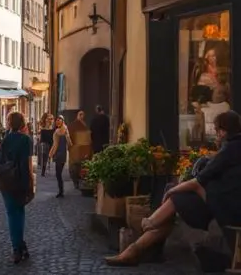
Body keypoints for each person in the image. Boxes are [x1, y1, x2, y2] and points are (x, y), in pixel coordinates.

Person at [106, 110, 241, 266]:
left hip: (227, 207)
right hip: (226, 202)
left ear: (223, 132)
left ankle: (148, 227)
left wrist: (171, 192)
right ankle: (135, 250)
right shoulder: (234, 147)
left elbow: (198, 181)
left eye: (217, 131)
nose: (216, 135)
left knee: (176, 197)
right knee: (171, 210)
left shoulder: (230, 148)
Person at [0, 112, 35, 264]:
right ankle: (19, 245)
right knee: (20, 211)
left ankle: (17, 247)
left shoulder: (6, 139)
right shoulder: (26, 140)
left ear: (10, 124)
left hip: (6, 180)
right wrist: (32, 183)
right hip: (21, 180)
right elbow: (29, 165)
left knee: (11, 213)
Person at [48, 115, 72, 197]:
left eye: (59, 120)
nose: (57, 121)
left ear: (62, 121)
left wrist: (51, 154)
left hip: (59, 154)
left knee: (58, 174)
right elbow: (69, 143)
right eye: (57, 120)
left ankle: (61, 191)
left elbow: (55, 145)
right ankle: (61, 191)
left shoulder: (57, 131)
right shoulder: (65, 129)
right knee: (58, 174)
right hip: (63, 154)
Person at [69, 110, 92, 188]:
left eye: (83, 114)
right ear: (77, 115)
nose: (82, 116)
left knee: (82, 166)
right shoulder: (73, 125)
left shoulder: (85, 125)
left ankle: (81, 181)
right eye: (80, 114)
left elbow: (88, 136)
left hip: (84, 149)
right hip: (75, 150)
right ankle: (76, 182)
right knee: (75, 167)